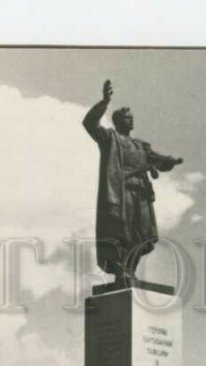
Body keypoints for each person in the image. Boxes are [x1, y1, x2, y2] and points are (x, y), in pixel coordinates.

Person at [82, 79, 183, 282]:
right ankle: (122, 271)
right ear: (119, 121)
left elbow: (157, 159)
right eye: (128, 118)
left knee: (142, 234)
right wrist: (104, 102)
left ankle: (130, 271)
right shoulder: (110, 138)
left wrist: (170, 161)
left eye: (132, 118)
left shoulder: (140, 145)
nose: (131, 121)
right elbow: (89, 124)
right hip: (122, 192)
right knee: (123, 232)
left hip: (142, 194)